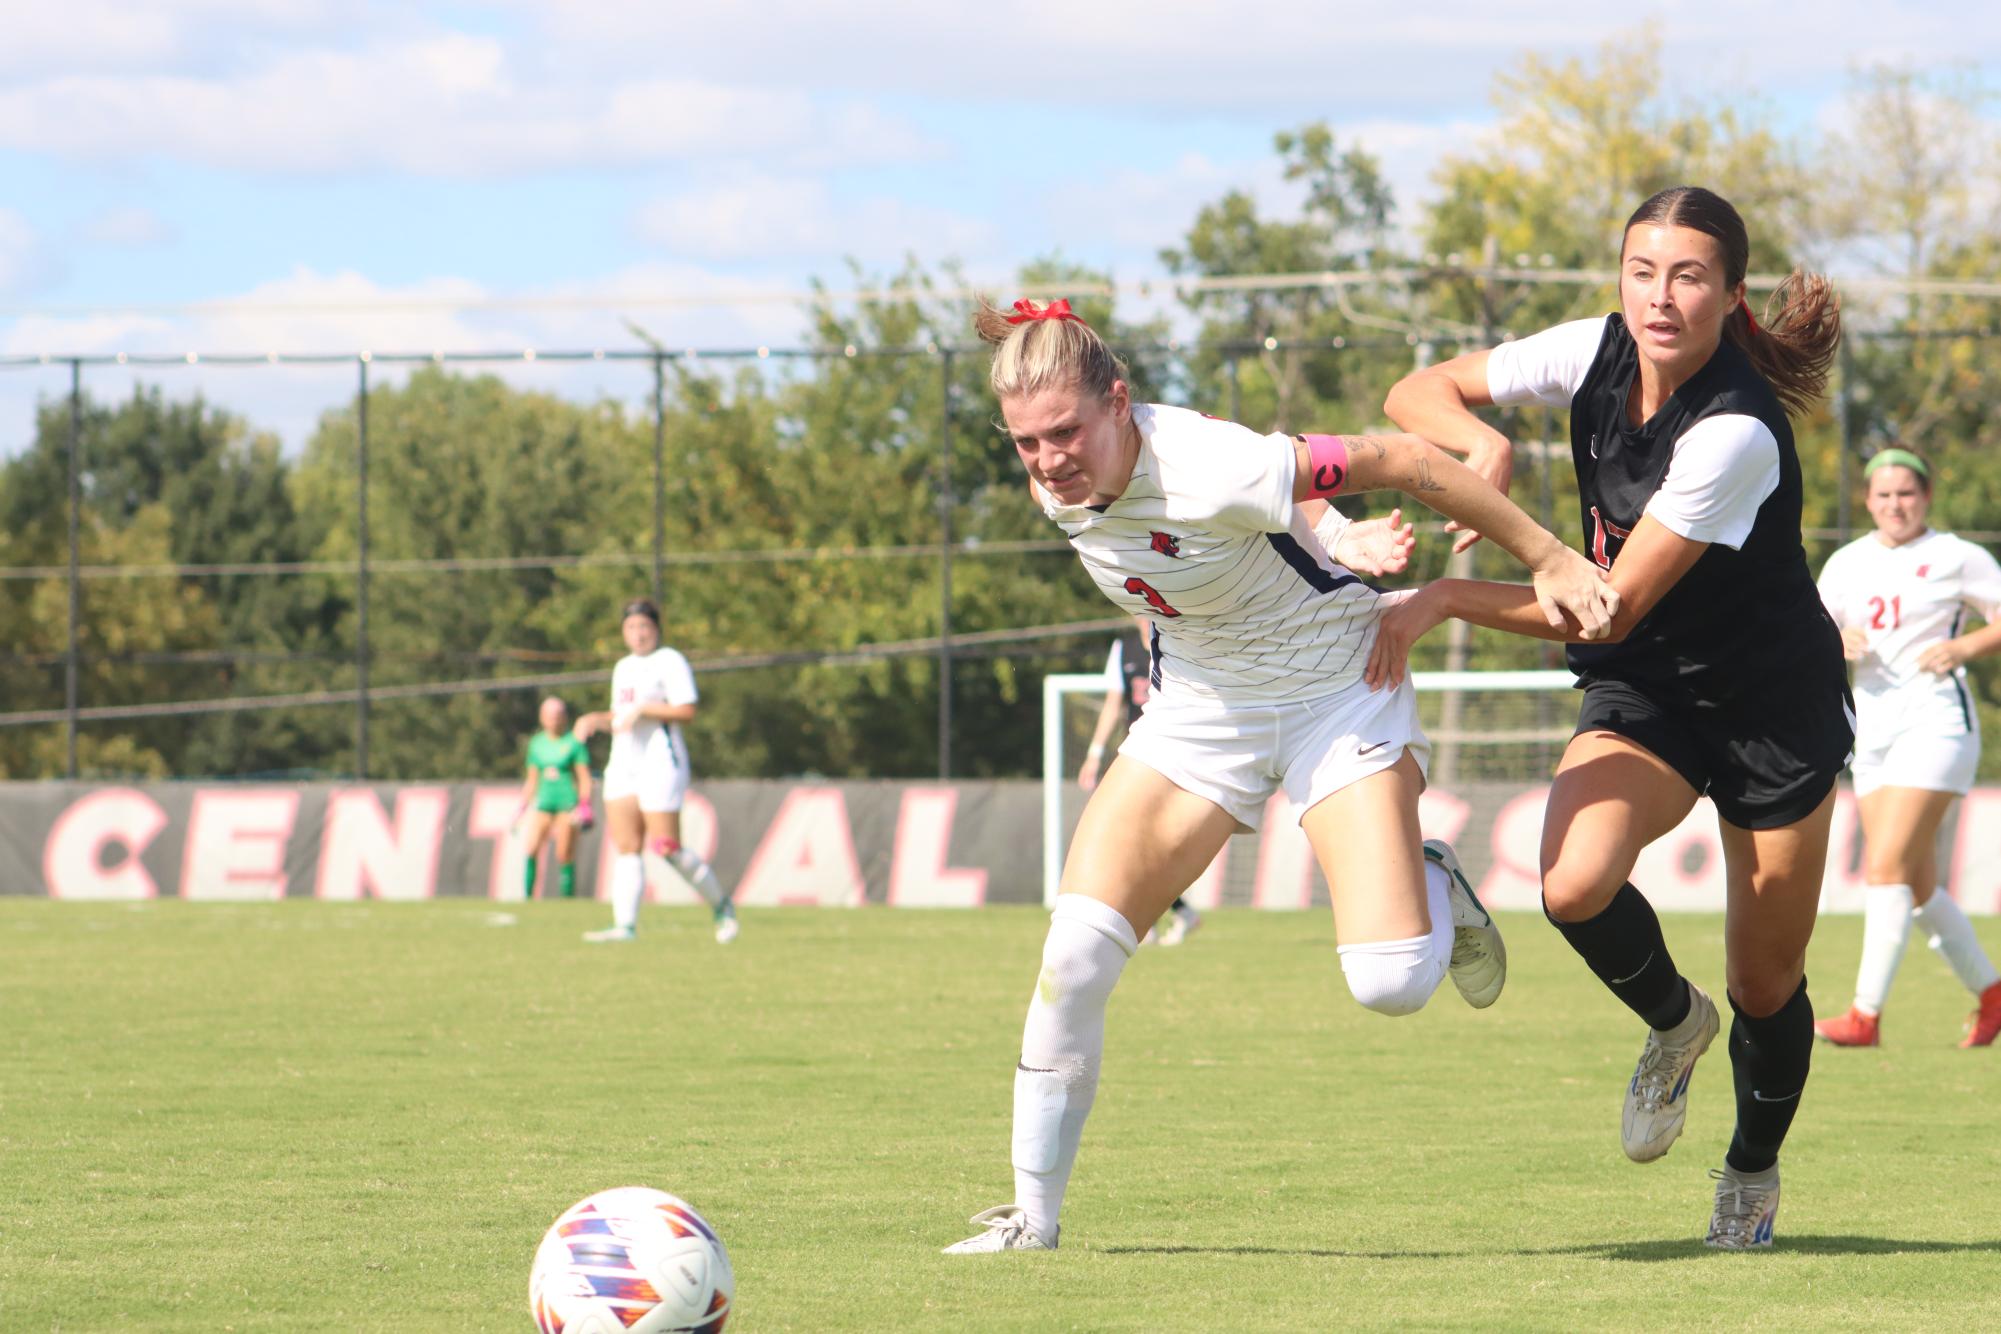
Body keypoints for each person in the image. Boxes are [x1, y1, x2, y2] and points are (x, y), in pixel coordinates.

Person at [944, 295, 1619, 1255]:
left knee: (1388, 983)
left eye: (1064, 431)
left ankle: (1435, 882)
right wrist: (1334, 535)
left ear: (1120, 404)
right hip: (1198, 716)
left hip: (1339, 686)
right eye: (1025, 443)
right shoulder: (1056, 486)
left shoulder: (1210, 461)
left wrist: (1546, 555)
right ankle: (1031, 1223)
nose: (1049, 459)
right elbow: (1237, 525)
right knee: (1072, 958)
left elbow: (1411, 461)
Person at [1375, 186, 1849, 1249]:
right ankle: (1677, 1025)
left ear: (1730, 296)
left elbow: (1605, 600)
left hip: (1769, 705)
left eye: (1688, 276)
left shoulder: (1737, 433)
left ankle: (1751, 1166)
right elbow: (1419, 389)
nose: (1660, 296)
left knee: (1766, 980)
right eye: (1643, 271)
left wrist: (1448, 594)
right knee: (1575, 882)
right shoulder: (1592, 350)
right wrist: (1476, 447)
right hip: (1650, 683)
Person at [1811, 448, 2001, 1049]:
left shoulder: (1956, 556)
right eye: (1884, 495)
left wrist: (1965, 648)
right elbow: (1808, 632)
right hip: (1871, 731)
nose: (1896, 504)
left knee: (1886, 867)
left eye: (1907, 493)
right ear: (1868, 501)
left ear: (1927, 497)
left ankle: (1864, 1016)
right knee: (1913, 884)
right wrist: (1835, 638)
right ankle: (1993, 995)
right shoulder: (1846, 561)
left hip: (1937, 722)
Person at [573, 598, 738, 944]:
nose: (638, 634)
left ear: (656, 629)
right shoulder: (623, 668)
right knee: (627, 846)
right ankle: (625, 926)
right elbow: (621, 716)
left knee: (667, 846)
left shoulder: (669, 661)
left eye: (644, 626)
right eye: (631, 627)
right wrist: (595, 719)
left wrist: (647, 709)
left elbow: (686, 711)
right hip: (623, 763)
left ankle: (721, 905)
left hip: (660, 762)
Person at [516, 696, 594, 900]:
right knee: (531, 848)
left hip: (567, 806)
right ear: (542, 718)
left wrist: (584, 805)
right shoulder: (537, 744)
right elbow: (532, 779)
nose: (554, 720)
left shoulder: (574, 744)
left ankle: (566, 901)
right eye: (550, 716)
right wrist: (522, 807)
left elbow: (584, 777)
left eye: (558, 715)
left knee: (564, 854)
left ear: (564, 717)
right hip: (543, 804)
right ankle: (528, 898)